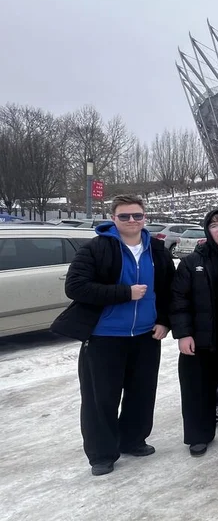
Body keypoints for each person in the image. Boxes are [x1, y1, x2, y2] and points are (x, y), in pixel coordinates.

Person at [51, 195, 174, 477]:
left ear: (145, 217)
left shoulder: (156, 249)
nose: (132, 221)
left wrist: (165, 320)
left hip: (145, 335)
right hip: (104, 336)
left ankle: (133, 439)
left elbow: (169, 288)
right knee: (100, 399)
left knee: (141, 394)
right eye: (124, 216)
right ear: (113, 218)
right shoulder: (96, 249)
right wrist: (123, 293)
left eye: (137, 215)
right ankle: (102, 454)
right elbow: (76, 287)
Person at [170, 209, 218, 456]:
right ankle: (199, 434)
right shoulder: (192, 262)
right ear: (208, 231)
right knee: (198, 388)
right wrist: (183, 334)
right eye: (214, 226)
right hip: (202, 338)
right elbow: (179, 300)